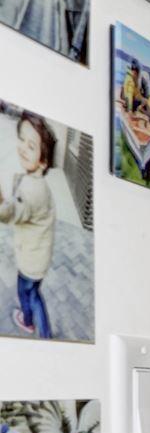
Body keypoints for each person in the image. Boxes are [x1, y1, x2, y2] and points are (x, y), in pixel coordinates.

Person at [1, 112, 60, 338]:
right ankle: (45, 334)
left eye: (31, 145)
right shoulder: (38, 183)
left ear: (43, 161)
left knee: (27, 294)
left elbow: (13, 214)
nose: (23, 148)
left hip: (31, 263)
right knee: (35, 294)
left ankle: (30, 324)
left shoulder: (33, 190)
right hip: (39, 259)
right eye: (22, 139)